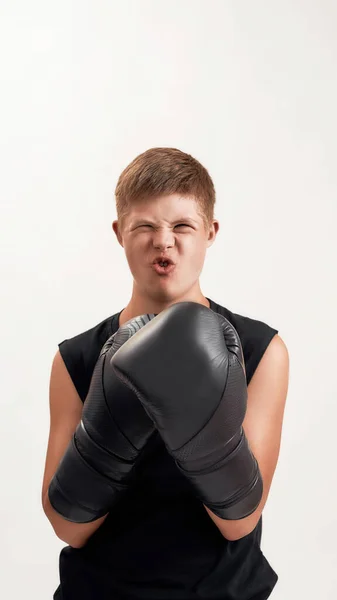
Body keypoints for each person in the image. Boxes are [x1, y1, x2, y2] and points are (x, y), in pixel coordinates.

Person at [41, 147, 289, 599]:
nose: (164, 241)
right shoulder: (76, 358)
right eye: (145, 226)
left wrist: (204, 435)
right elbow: (67, 527)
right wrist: (108, 436)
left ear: (210, 231)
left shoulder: (259, 350)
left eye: (181, 226)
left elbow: (240, 523)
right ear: (119, 233)